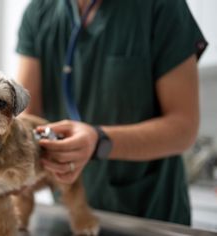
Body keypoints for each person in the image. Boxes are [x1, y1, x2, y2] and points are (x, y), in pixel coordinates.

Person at [15, 0, 208, 225]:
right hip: (71, 217)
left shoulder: (162, 6)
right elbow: (27, 120)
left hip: (150, 217)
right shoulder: (39, 12)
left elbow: (183, 128)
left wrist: (99, 141)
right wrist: (10, 163)